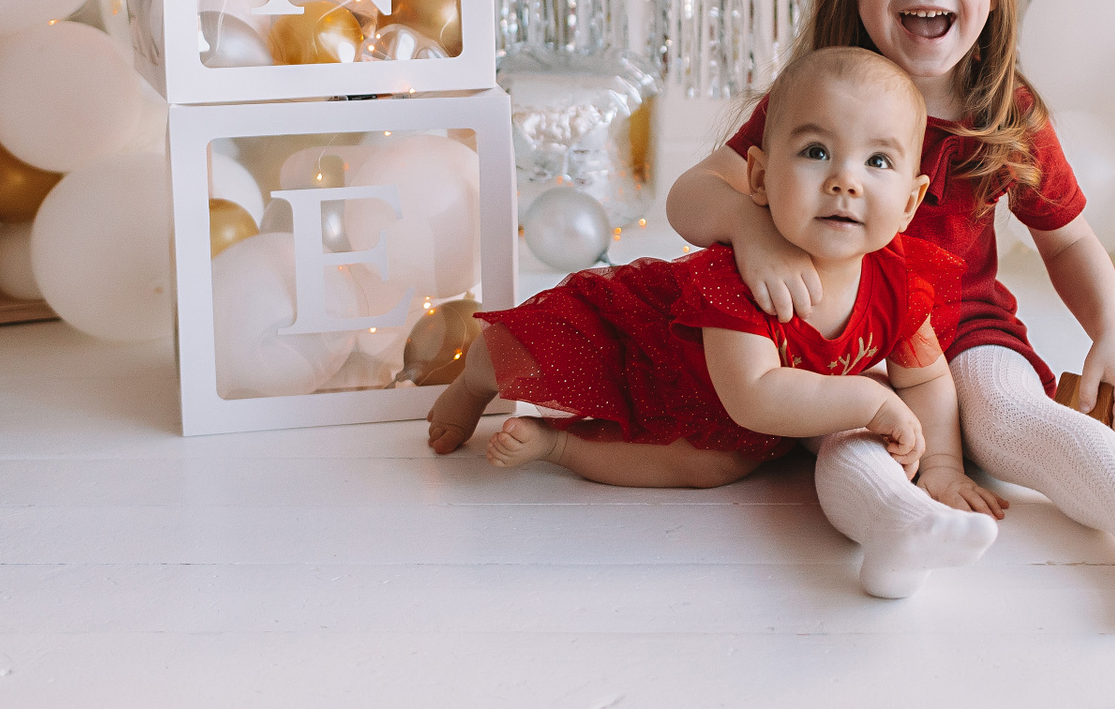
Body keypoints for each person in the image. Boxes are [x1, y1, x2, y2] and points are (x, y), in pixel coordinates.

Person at [668, 0, 1115, 625]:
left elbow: (1068, 240)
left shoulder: (1005, 112)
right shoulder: (820, 98)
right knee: (852, 435)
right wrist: (745, 225)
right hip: (845, 337)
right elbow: (691, 194)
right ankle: (900, 528)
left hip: (964, 328)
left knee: (1006, 418)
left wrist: (1113, 338)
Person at [424, 46, 1005, 579]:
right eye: (816, 152)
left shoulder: (900, 279)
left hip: (732, 426)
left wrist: (943, 464)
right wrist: (870, 401)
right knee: (516, 353)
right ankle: (470, 385)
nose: (844, 181)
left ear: (909, 203)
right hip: (649, 350)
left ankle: (559, 447)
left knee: (713, 470)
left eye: (878, 161)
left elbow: (925, 378)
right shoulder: (739, 276)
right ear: (759, 178)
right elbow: (753, 394)